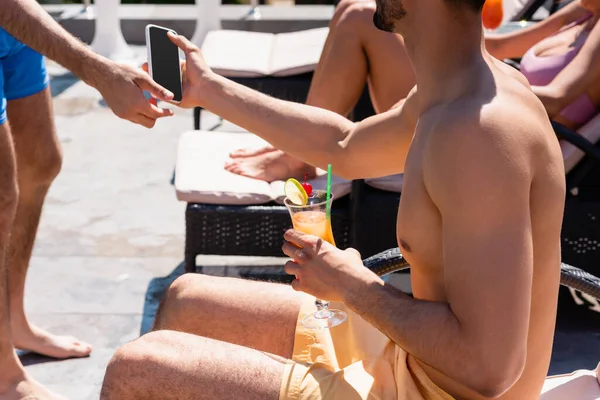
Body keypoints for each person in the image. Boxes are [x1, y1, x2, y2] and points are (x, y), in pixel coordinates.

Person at [101, 0, 567, 399]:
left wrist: (351, 285)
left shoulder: (479, 134)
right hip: (411, 365)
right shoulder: (460, 89)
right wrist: (209, 90)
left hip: (434, 391)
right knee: (185, 299)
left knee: (136, 368)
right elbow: (343, 147)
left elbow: (489, 370)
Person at [0, 1, 174, 399]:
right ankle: (4, 375)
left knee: (41, 161)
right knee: (1, 193)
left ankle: (12, 322)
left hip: (16, 24)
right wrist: (100, 71)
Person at [225, 0, 600, 182]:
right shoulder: (579, 13)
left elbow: (557, 95)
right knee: (357, 8)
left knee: (361, 20)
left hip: (488, 131)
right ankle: (294, 148)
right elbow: (499, 48)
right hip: (477, 100)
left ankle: (300, 155)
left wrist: (490, 87)